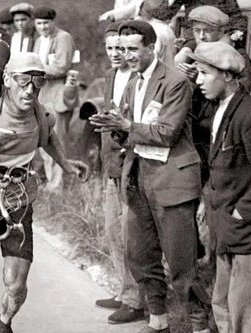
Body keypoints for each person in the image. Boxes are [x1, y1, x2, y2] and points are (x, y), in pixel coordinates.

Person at [0, 52, 89, 333]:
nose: (30, 89)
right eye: (23, 81)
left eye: (38, 82)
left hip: (19, 199)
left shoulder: (42, 114)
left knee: (17, 284)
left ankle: (3, 323)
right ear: (7, 79)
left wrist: (66, 165)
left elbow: (48, 139)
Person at [90, 20, 210, 333]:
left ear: (151, 48)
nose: (127, 56)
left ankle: (200, 325)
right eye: (123, 48)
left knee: (182, 263)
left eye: (133, 49)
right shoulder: (132, 83)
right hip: (138, 175)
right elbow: (128, 128)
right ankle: (158, 321)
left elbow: (167, 133)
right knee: (140, 254)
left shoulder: (175, 81)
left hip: (171, 180)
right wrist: (113, 127)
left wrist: (126, 127)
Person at [190, 41, 251, 333]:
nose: (198, 81)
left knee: (244, 311)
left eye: (204, 74)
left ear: (228, 76)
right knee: (221, 302)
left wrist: (242, 213)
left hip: (247, 233)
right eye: (197, 73)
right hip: (225, 227)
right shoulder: (220, 108)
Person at [92, 21, 146, 325]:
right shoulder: (111, 75)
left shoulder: (139, 78)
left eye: (121, 48)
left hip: (131, 164)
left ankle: (135, 300)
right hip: (111, 162)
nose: (115, 54)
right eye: (110, 48)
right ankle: (125, 289)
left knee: (130, 234)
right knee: (113, 230)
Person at [32, 6, 77, 191]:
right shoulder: (38, 41)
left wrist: (35, 68)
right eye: (39, 23)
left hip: (58, 95)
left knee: (58, 141)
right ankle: (51, 182)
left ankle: (59, 185)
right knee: (44, 140)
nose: (42, 27)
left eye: (46, 23)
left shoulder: (63, 38)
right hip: (43, 95)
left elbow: (61, 67)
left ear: (53, 22)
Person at [175, 5, 251, 93]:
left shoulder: (237, 55)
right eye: (197, 30)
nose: (201, 36)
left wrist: (201, 78)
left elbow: (243, 92)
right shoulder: (192, 52)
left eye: (207, 31)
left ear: (220, 32)